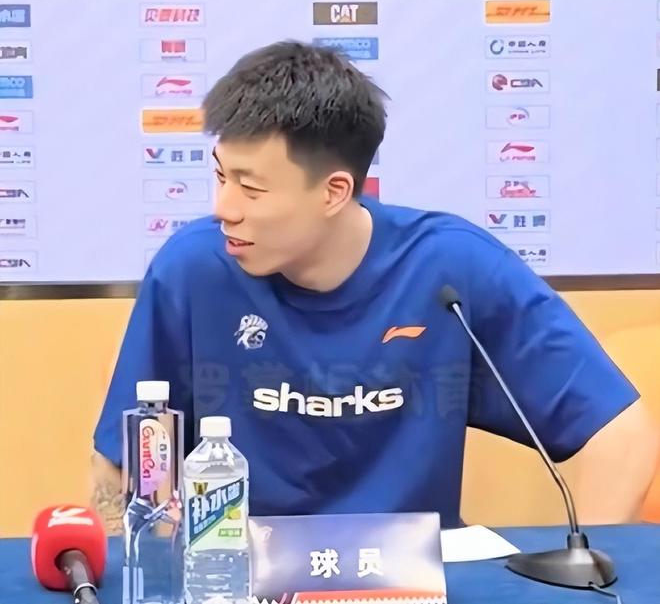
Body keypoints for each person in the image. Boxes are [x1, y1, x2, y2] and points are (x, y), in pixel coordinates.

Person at [92, 40, 659, 535]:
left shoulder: (451, 269)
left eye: (251, 189)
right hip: (242, 576)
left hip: (409, 581)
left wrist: (592, 568)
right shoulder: (193, 270)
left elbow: (623, 434)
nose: (223, 208)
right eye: (220, 176)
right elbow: (121, 463)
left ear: (334, 192)